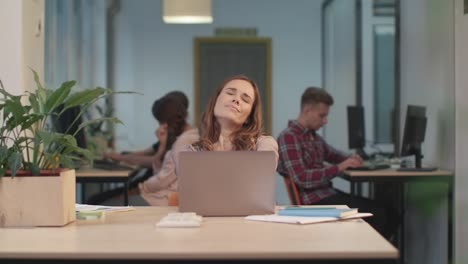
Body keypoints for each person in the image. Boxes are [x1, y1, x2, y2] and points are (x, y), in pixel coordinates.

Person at [276, 86, 398, 240]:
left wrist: (352, 158)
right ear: (307, 110)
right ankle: (371, 255)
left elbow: (334, 154)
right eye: (322, 115)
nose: (325, 121)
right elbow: (302, 177)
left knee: (391, 213)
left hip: (326, 194)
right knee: (381, 215)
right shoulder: (289, 137)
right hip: (313, 201)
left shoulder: (313, 137)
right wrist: (339, 168)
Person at [90, 91, 199, 206]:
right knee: (104, 201)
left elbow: (163, 180)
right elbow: (163, 173)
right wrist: (162, 146)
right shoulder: (184, 138)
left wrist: (141, 188)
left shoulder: (184, 142)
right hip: (161, 194)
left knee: (104, 204)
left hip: (165, 198)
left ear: (165, 123)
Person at [103, 91, 189, 171]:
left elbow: (154, 162)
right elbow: (148, 153)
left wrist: (120, 157)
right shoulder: (176, 135)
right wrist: (120, 156)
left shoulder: (181, 141)